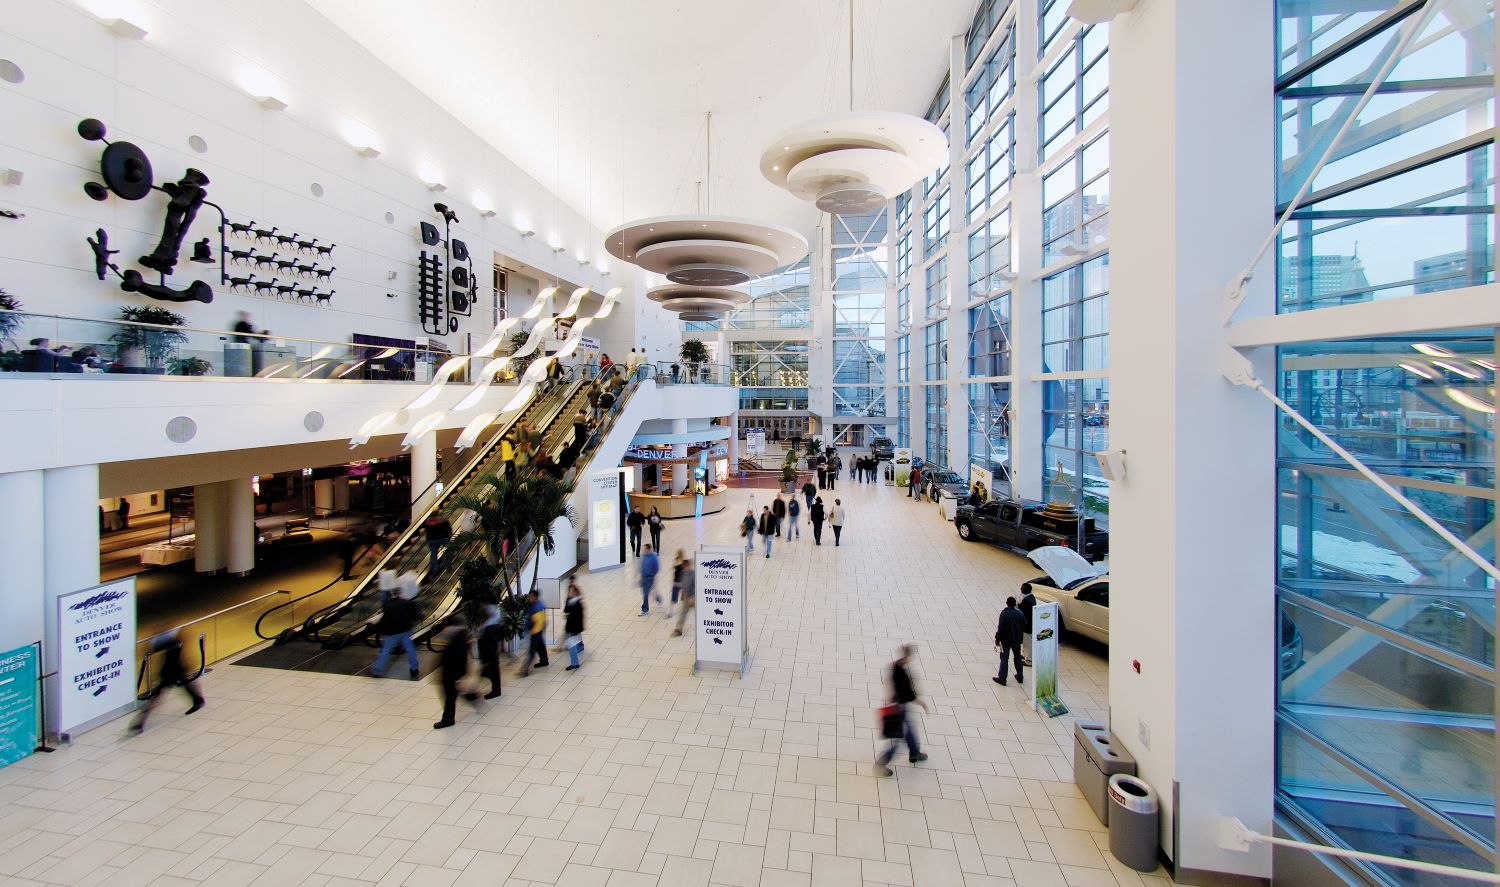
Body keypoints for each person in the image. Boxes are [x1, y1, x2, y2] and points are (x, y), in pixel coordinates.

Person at [130, 631, 204, 731]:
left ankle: (141, 722)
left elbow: (157, 650)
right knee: (185, 687)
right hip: (173, 672)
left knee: (157, 696)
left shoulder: (171, 643)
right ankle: (198, 700)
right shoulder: (175, 643)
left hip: (172, 672)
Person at [875, 645, 930, 776]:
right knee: (897, 739)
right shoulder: (902, 673)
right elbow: (907, 693)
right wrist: (920, 702)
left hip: (897, 705)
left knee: (909, 731)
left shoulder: (894, 667)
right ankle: (880, 765)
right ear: (907, 656)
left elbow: (893, 686)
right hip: (900, 706)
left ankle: (914, 753)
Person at [370, 583, 420, 680]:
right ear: (400, 592)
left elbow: (385, 621)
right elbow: (414, 615)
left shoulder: (388, 606)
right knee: (410, 649)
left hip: (393, 633)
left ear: (392, 593)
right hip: (405, 631)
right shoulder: (407, 603)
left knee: (385, 651)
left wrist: (380, 629)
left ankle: (377, 670)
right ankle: (414, 668)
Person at [433, 615, 469, 729]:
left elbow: (452, 656)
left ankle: (448, 720)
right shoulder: (461, 635)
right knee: (454, 693)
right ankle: (475, 700)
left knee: (450, 695)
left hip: (452, 672)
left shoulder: (456, 637)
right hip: (456, 671)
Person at [994, 596, 1026, 686]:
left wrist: (997, 638)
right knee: (1017, 657)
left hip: (1006, 640)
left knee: (1004, 658)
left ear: (1007, 603)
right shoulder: (1020, 614)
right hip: (1016, 639)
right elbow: (1024, 625)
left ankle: (1002, 678)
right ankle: (1020, 676)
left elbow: (1001, 628)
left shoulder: (1004, 614)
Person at [477, 604, 503, 699]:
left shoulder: (488, 628)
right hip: (492, 654)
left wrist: (486, 659)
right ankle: (495, 688)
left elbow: (488, 644)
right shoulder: (493, 623)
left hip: (491, 655)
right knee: (493, 672)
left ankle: (496, 691)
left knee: (494, 672)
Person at [521, 590, 549, 675]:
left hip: (536, 631)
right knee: (540, 646)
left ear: (535, 597)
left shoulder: (537, 607)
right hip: (538, 630)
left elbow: (537, 621)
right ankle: (544, 660)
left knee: (532, 650)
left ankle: (525, 669)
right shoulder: (538, 604)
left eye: (531, 597)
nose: (530, 598)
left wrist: (530, 630)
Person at [672, 556, 696, 637]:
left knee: (698, 613)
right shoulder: (683, 573)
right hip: (686, 597)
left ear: (688, 566)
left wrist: (692, 598)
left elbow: (696, 587)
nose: (684, 568)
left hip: (693, 598)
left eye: (685, 567)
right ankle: (678, 630)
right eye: (683, 567)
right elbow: (683, 585)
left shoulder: (693, 575)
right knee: (683, 613)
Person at [564, 580, 585, 670]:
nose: (570, 593)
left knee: (571, 645)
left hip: (573, 628)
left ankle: (575, 663)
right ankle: (576, 658)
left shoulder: (578, 604)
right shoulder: (570, 601)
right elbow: (565, 610)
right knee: (572, 644)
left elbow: (575, 616)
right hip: (571, 627)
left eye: (572, 591)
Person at [422, 512, 452, 577]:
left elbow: (426, 531)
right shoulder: (443, 519)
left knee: (433, 553)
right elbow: (449, 528)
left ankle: (435, 567)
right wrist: (449, 536)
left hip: (432, 540)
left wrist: (428, 539)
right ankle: (447, 564)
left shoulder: (428, 521)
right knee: (448, 550)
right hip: (443, 538)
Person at [639, 543, 660, 616]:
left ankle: (645, 610)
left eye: (644, 549)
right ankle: (659, 599)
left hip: (650, 578)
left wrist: (652, 575)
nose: (643, 550)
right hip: (644, 577)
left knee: (646, 594)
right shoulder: (644, 556)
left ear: (648, 549)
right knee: (652, 591)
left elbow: (657, 568)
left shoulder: (654, 557)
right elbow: (642, 565)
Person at [1019, 585, 1037, 666]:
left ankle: (1028, 660)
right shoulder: (1029, 597)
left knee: (1027, 643)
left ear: (1026, 589)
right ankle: (1025, 654)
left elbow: (1023, 611)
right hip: (1027, 625)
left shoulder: (1029, 601)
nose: (1020, 589)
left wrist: (1018, 604)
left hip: (1028, 626)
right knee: (1025, 642)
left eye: (1022, 588)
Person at [668, 550, 685, 619]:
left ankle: (670, 612)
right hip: (682, 583)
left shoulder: (676, 561)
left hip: (676, 583)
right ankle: (682, 610)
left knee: (673, 598)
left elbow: (671, 569)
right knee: (683, 597)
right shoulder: (684, 562)